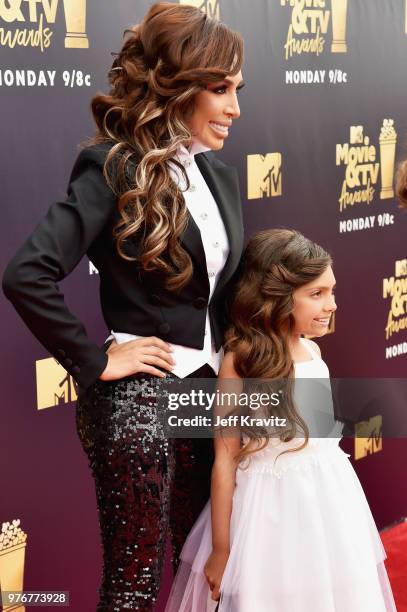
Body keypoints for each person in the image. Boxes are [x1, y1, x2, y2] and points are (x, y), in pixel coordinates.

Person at [2, 4, 244, 610]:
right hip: (140, 405)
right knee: (134, 583)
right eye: (220, 90)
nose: (235, 107)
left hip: (206, 396)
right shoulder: (113, 166)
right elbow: (27, 273)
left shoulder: (219, 177)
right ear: (178, 86)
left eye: (238, 88)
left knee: (200, 571)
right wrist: (93, 359)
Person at [165, 229, 397, 612]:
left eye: (332, 292)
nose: (331, 304)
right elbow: (225, 458)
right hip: (267, 514)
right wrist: (222, 549)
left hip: (330, 504)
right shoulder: (240, 360)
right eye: (317, 294)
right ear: (277, 296)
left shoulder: (313, 350)